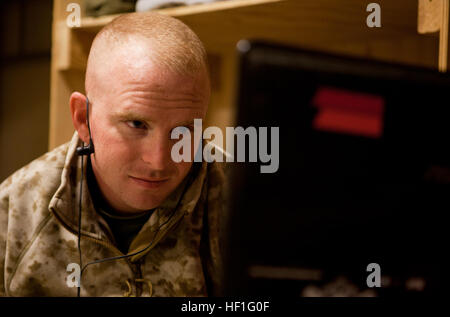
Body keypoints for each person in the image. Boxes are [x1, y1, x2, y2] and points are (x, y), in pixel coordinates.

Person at [0, 12, 227, 297]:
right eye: (136, 124)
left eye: (183, 131)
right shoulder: (13, 215)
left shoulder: (246, 202)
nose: (158, 161)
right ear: (83, 119)